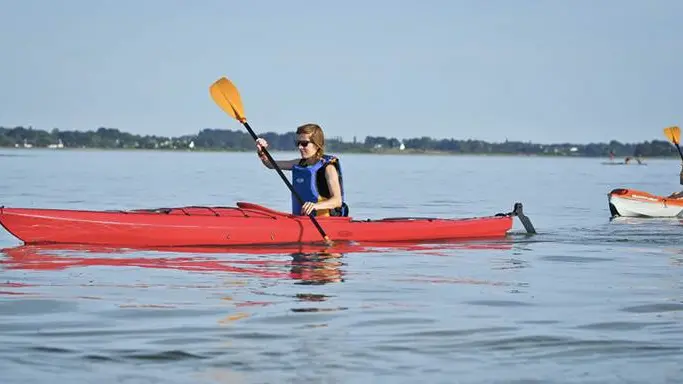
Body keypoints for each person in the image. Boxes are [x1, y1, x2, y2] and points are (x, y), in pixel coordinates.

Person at [255, 123, 349, 217]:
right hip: (301, 220)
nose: (300, 147)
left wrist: (316, 206)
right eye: (298, 143)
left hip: (325, 222)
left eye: (304, 143)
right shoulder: (299, 163)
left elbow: (337, 201)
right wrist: (262, 152)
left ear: (317, 145)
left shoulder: (328, 168)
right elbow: (270, 164)